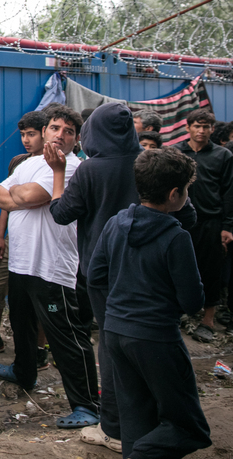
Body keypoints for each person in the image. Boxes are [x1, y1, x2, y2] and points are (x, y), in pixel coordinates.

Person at [48, 102, 195, 453]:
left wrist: (59, 171)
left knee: (114, 349)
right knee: (152, 344)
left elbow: (61, 213)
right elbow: (187, 217)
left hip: (106, 273)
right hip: (154, 273)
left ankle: (114, 427)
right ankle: (161, 421)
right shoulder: (149, 163)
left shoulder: (89, 170)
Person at [89, 148, 212, 458]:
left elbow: (95, 275)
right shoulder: (176, 237)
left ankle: (138, 449)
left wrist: (121, 304)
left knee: (136, 416)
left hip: (116, 334)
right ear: (174, 194)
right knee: (189, 427)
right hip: (156, 337)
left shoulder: (117, 222)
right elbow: (193, 300)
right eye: (186, 190)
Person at [0, 106, 101, 429]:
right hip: (22, 261)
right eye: (55, 128)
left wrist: (19, 196)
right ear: (46, 130)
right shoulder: (31, 163)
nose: (59, 135)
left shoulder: (73, 168)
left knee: (65, 334)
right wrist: (19, 197)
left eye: (68, 131)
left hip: (53, 266)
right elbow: (2, 194)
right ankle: (23, 372)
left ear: (76, 138)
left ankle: (86, 404)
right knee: (21, 323)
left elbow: (32, 195)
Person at [0, 110, 47, 356]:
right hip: (12, 239)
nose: (26, 140)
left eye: (32, 134)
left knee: (36, 298)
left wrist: (20, 198)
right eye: (23, 135)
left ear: (45, 134)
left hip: (40, 241)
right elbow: (3, 199)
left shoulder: (53, 164)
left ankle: (38, 349)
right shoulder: (19, 162)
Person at [174, 109, 233, 343]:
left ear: (212, 129)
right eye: (197, 126)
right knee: (178, 268)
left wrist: (227, 226)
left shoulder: (223, 156)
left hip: (211, 223)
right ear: (188, 127)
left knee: (211, 270)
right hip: (180, 222)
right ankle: (178, 314)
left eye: (206, 126)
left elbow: (229, 192)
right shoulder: (177, 153)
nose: (201, 131)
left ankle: (208, 320)